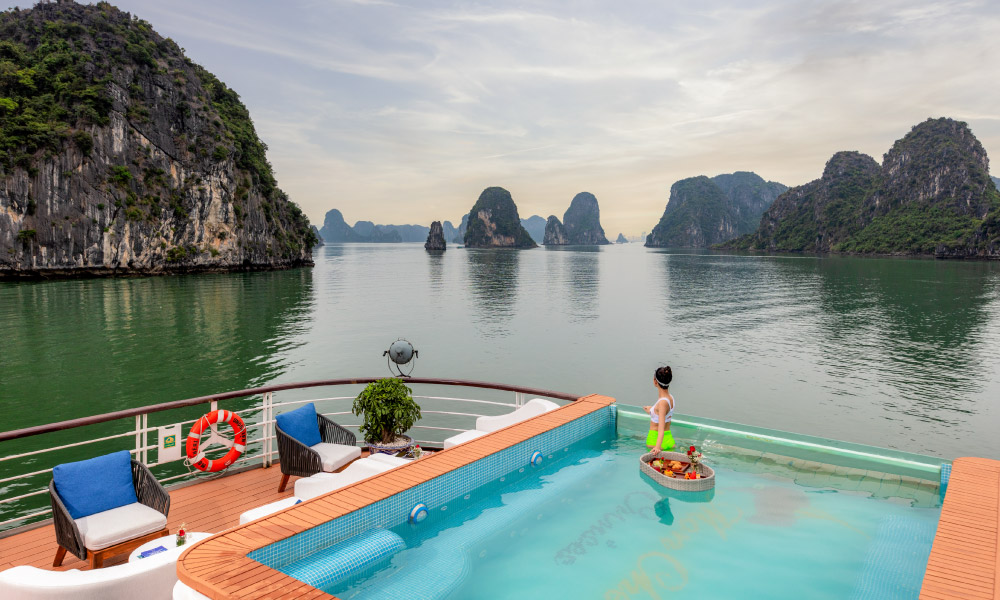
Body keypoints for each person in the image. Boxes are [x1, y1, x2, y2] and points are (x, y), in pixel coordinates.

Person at [643, 366, 675, 452]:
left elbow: (661, 429)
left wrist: (657, 447)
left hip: (655, 441)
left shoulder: (662, 403)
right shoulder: (670, 398)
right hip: (669, 440)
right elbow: (663, 414)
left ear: (655, 381)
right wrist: (651, 410)